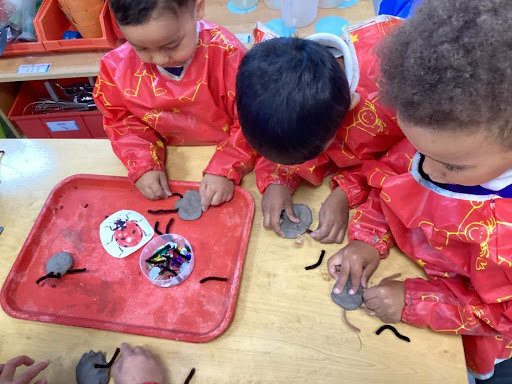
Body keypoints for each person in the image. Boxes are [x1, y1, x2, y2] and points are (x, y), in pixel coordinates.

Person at [327, 0, 512, 381]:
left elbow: (501, 316)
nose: (427, 168)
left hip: (470, 334)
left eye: (452, 166)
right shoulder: (446, 142)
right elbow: (390, 184)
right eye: (419, 150)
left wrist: (417, 302)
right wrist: (367, 239)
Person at [235, 18, 404, 243]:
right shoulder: (266, 78)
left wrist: (346, 192)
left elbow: (397, 159)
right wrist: (278, 178)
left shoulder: (393, 94)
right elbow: (283, 132)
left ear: (350, 108)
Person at [94, 0, 256, 210]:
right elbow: (121, 119)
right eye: (140, 48)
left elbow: (252, 120)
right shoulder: (115, 68)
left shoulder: (228, 54)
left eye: (172, 45)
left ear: (197, 8)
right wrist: (144, 163)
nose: (160, 59)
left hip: (223, 156)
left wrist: (226, 167)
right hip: (172, 162)